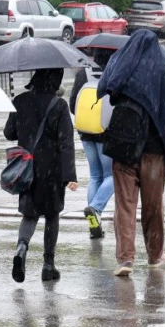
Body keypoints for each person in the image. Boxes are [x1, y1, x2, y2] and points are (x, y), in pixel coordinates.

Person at [97, 30, 165, 277]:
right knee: (153, 206)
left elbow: (105, 90)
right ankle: (155, 256)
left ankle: (125, 260)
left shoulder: (122, 64)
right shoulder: (163, 73)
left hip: (123, 147)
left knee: (124, 205)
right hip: (154, 153)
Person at [4, 68, 78, 283]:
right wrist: (69, 175)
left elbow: (9, 133)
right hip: (51, 169)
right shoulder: (59, 105)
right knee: (52, 215)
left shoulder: (20, 101)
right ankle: (48, 265)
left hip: (26, 168)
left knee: (30, 214)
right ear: (55, 81)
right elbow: (66, 143)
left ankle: (21, 247)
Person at [69, 48, 115, 239]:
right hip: (105, 133)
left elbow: (73, 104)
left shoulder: (83, 75)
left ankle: (93, 223)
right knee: (111, 175)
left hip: (85, 132)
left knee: (95, 175)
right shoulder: (113, 74)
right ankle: (95, 208)